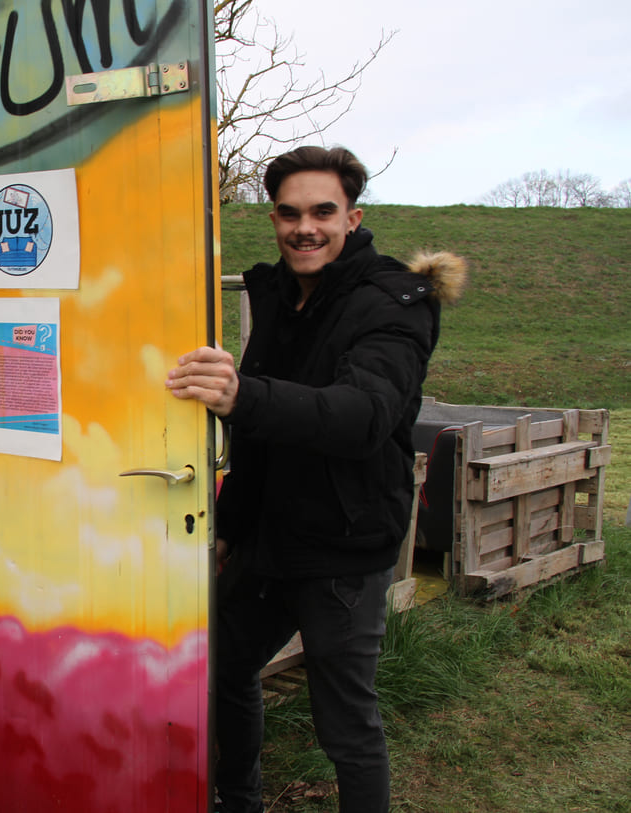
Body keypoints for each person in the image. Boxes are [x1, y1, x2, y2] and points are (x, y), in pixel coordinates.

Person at [166, 146, 466, 812]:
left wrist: (243, 394)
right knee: (224, 669)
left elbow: (364, 416)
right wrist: (232, 528)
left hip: (343, 544)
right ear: (273, 217)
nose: (306, 227)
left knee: (345, 725)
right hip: (268, 540)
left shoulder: (394, 299)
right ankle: (236, 799)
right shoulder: (277, 293)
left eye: (323, 212)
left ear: (352, 217)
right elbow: (260, 438)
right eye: (290, 212)